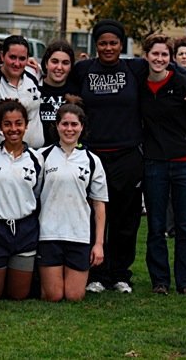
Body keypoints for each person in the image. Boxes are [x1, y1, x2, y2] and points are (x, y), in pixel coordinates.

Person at [68, 19, 146, 294]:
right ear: (95, 44)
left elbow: (168, 70)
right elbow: (62, 91)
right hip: (94, 154)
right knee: (93, 216)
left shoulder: (135, 68)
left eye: (113, 43)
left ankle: (121, 274)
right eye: (103, 43)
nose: (108, 47)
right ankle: (96, 274)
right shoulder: (83, 70)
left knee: (126, 218)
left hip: (127, 154)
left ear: (121, 45)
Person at [37, 104, 108, 301]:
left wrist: (99, 244)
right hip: (49, 234)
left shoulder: (92, 161)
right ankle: (44, 285)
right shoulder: (42, 156)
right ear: (57, 126)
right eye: (65, 124)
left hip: (79, 235)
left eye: (74, 124)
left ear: (82, 127)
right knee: (54, 296)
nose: (69, 129)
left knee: (74, 296)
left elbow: (99, 204)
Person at [140, 34, 186, 296]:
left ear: (170, 58)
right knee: (156, 225)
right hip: (154, 163)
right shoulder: (140, 84)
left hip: (184, 162)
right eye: (155, 54)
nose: (159, 59)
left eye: (164, 55)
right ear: (146, 55)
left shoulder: (185, 83)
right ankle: (160, 280)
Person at [0, 100, 43, 300]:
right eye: (7, 124)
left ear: (26, 125)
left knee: (18, 295)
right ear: (0, 126)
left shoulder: (37, 158)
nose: (13, 129)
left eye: (18, 123)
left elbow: (37, 192)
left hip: (24, 229)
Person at [0, 35, 44, 148]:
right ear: (2, 56)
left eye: (22, 58)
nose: (17, 63)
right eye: (12, 57)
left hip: (35, 154)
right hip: (2, 155)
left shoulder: (34, 73)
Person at [39, 40, 76, 146]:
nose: (59, 67)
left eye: (65, 63)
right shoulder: (33, 87)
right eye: (54, 61)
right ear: (46, 63)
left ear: (71, 66)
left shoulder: (77, 92)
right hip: (38, 153)